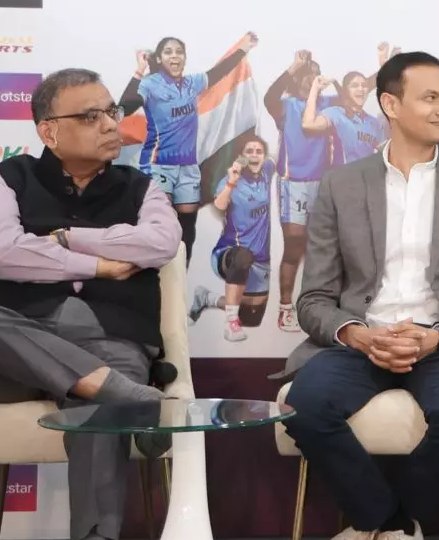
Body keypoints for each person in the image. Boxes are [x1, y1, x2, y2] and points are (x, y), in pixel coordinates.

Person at [0, 68, 182, 540]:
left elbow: (160, 243)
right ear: (49, 131)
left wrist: (65, 239)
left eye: (111, 112)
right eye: (90, 116)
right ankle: (128, 397)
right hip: (15, 346)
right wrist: (100, 262)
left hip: (110, 339)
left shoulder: (143, 187)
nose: (110, 125)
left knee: (97, 406)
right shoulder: (6, 179)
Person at [280, 52, 439, 540]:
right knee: (303, 407)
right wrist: (358, 334)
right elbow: (313, 298)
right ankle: (390, 524)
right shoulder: (341, 185)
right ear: (390, 104)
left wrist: (438, 334)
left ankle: (380, 527)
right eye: (430, 98)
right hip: (361, 340)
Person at [264, 45, 392, 333]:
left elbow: (363, 86)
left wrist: (385, 63)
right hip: (294, 182)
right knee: (294, 246)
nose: (312, 78)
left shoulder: (330, 103)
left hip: (324, 184)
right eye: (306, 74)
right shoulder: (286, 105)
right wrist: (294, 66)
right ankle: (285, 307)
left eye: (316, 73)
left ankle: (328, 306)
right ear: (297, 80)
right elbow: (269, 96)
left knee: (327, 249)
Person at [118, 32, 256, 262]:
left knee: (187, 230)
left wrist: (243, 49)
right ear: (159, 59)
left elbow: (219, 72)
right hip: (158, 166)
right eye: (168, 52)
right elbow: (125, 107)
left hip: (188, 169)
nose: (175, 56)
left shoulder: (193, 83)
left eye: (179, 52)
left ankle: (180, 275)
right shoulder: (151, 84)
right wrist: (140, 70)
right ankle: (155, 279)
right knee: (159, 226)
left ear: (184, 57)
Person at [187, 135, 273, 342]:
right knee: (243, 257)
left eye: (258, 151)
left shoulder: (267, 171)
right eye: (249, 151)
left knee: (251, 318)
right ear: (241, 156)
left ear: (264, 157)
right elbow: (219, 205)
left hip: (260, 260)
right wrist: (231, 182)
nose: (254, 155)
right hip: (229, 254)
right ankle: (231, 324)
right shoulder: (231, 181)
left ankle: (207, 298)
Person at [301, 69, 386, 166]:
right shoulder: (336, 114)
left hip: (366, 174)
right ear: (346, 91)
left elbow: (385, 154)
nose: (360, 89)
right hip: (342, 174)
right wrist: (314, 89)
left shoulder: (374, 123)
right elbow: (308, 124)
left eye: (364, 85)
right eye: (354, 85)